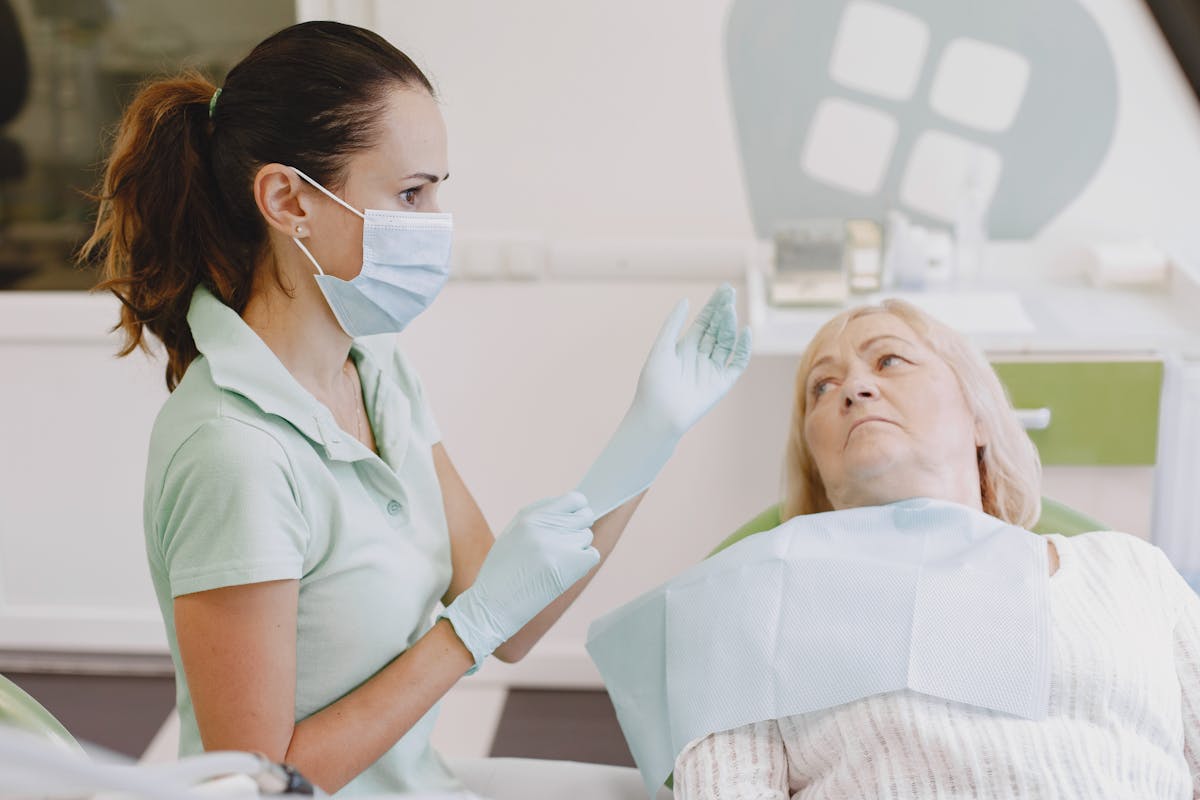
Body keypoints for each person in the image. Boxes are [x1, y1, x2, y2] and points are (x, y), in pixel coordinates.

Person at [80, 21, 749, 796]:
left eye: (436, 190)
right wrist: (465, 633)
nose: (433, 225)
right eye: (408, 193)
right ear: (288, 198)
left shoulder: (376, 371)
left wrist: (648, 440)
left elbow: (514, 621)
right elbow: (255, 783)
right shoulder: (234, 450)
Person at [672, 299, 1200, 799]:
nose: (853, 388)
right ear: (818, 469)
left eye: (889, 360)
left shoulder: (1132, 572)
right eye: (822, 387)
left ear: (979, 417)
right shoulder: (756, 601)